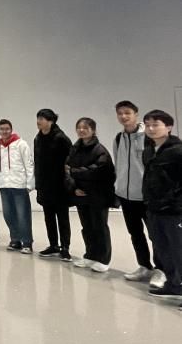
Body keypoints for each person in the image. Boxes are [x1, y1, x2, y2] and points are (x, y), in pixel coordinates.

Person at [113, 101, 165, 286]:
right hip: (126, 196)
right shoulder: (119, 138)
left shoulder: (148, 137)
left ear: (136, 114)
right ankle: (144, 266)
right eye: (120, 113)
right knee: (135, 233)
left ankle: (161, 270)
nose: (123, 116)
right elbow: (118, 164)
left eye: (127, 112)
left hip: (146, 197)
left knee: (156, 235)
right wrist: (118, 188)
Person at [141, 110, 182, 306]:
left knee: (179, 250)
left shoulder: (178, 151)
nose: (151, 128)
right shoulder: (149, 150)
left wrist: (174, 201)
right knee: (163, 249)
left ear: (169, 127)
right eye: (147, 124)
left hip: (175, 211)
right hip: (154, 209)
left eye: (155, 124)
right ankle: (174, 285)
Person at [66, 118, 115, 272]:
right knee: (87, 227)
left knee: (99, 226)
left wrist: (75, 172)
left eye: (85, 128)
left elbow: (98, 171)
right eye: (79, 127)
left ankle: (103, 259)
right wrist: (74, 187)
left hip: (98, 194)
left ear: (93, 130)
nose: (81, 130)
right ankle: (90, 255)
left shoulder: (100, 150)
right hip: (80, 194)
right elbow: (66, 170)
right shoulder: (75, 148)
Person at [34, 109, 73, 259]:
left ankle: (65, 247)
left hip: (59, 185)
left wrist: (69, 181)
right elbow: (37, 162)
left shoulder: (61, 138)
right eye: (38, 118)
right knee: (48, 217)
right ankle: (53, 245)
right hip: (44, 186)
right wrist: (38, 184)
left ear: (51, 121)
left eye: (42, 118)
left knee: (62, 218)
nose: (39, 121)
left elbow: (70, 160)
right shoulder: (38, 139)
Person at [0, 119, 35, 254]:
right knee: (8, 214)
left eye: (7, 129)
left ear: (11, 129)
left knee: (22, 215)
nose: (4, 131)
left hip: (19, 185)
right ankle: (15, 240)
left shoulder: (21, 144)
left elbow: (29, 164)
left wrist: (30, 183)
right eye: (2, 129)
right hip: (4, 185)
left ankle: (27, 243)